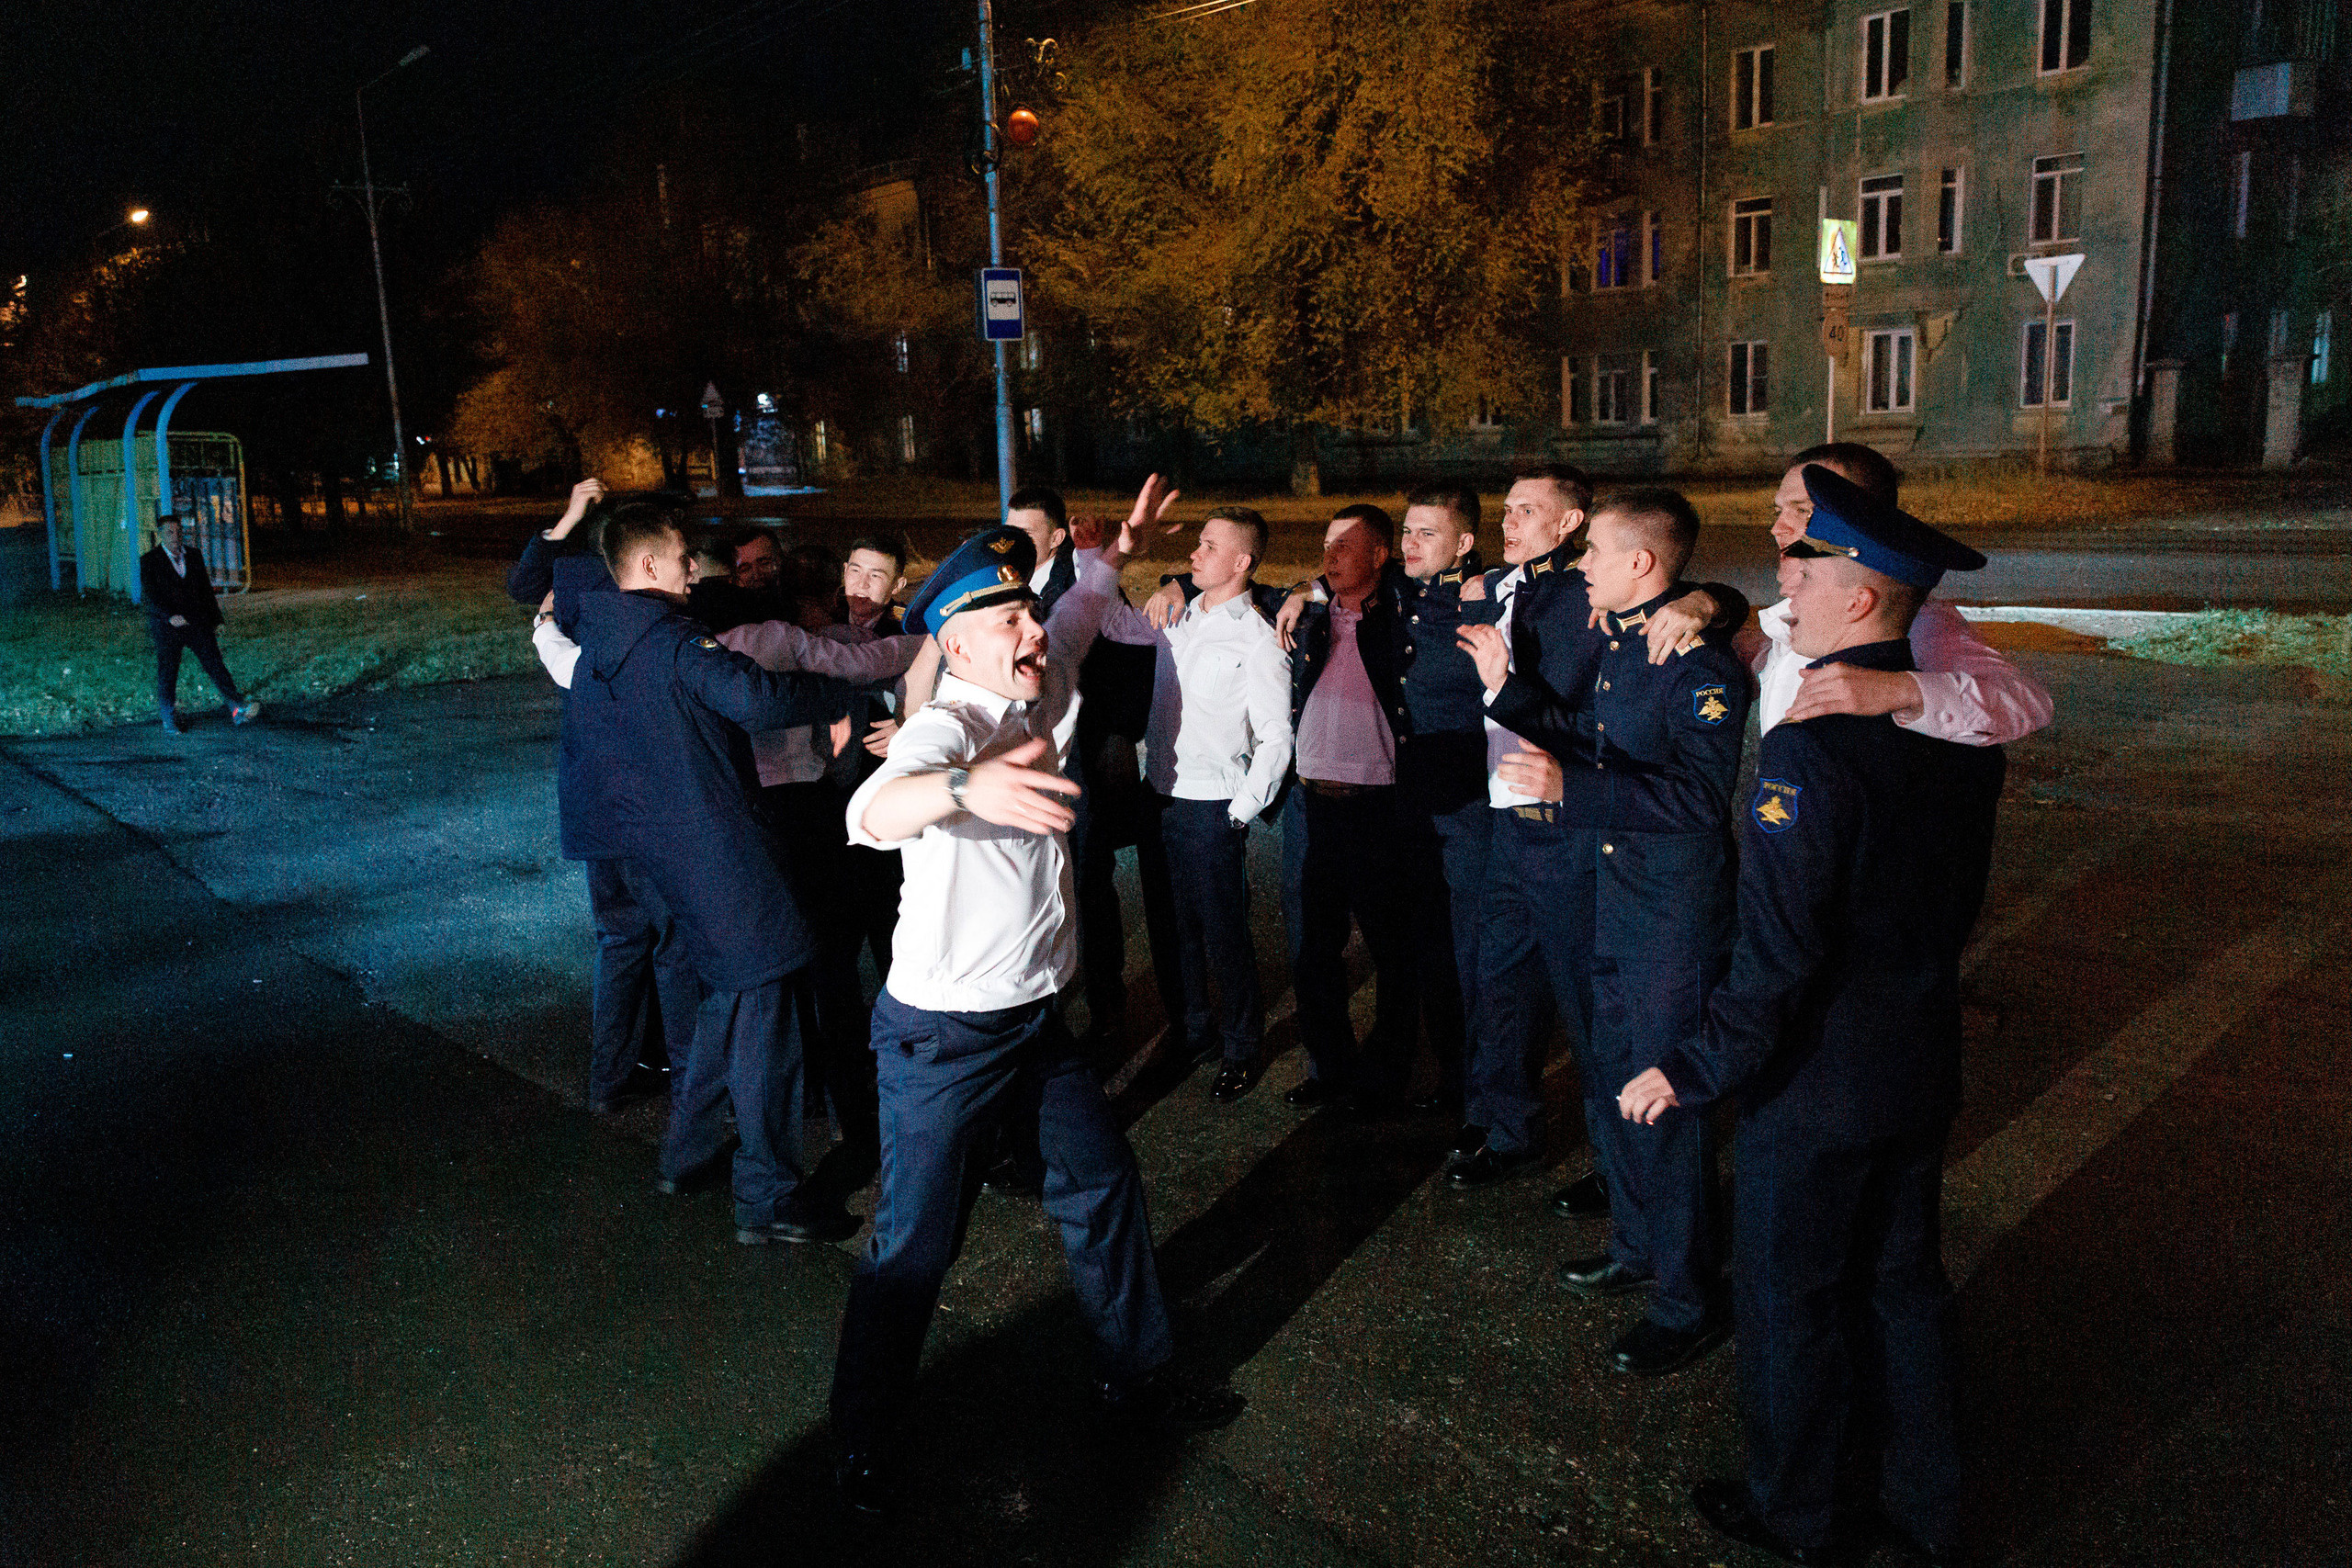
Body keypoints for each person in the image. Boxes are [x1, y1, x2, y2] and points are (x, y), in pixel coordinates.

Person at [828, 477, 1243, 1516]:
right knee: (915, 1244)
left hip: (1036, 1027)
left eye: (1021, 611)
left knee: (1102, 1186)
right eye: (999, 618)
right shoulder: (950, 725)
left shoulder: (1043, 673)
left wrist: (1119, 553)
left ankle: (1136, 1374)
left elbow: (1077, 607)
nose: (1025, 629)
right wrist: (966, 789)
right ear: (954, 646)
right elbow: (874, 811)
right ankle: (861, 1440)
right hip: (942, 1036)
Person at [1619, 466, 2008, 1566]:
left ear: (1858, 594)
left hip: (1821, 1073)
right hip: (1918, 1050)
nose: (1782, 571)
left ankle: (1799, 1512)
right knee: (1901, 1285)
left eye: (1805, 562)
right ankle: (1926, 1508)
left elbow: (1781, 952)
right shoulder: (1949, 721)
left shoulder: (1815, 743)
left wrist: (1692, 1070)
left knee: (1792, 1297)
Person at [1464, 489, 1751, 1378]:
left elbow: (1700, 801)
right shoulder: (1623, 641)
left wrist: (1570, 793)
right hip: (1616, 898)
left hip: (1670, 915)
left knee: (1664, 1105)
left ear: (1643, 565)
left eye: (1595, 553)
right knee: (1614, 1081)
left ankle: (1686, 1299)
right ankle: (1636, 1245)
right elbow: (1587, 746)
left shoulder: (1698, 666)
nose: (1581, 567)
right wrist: (1504, 691)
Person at [564, 503, 853, 1245]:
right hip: (721, 858)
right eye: (685, 555)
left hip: (660, 858)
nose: (697, 567)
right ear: (652, 566)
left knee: (730, 998)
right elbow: (756, 698)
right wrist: (841, 692)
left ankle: (686, 1150)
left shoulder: (600, 640)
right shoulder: (672, 640)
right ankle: (769, 1195)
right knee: (769, 1013)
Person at [1649, 442, 2053, 743]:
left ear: (1864, 517)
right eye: (1779, 510)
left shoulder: (1917, 620)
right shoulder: (1800, 607)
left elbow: (2026, 701)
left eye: (1803, 510)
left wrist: (1900, 690)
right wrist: (1711, 603)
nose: (1778, 528)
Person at [1092, 508, 1294, 1101]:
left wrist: (1241, 810)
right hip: (1160, 797)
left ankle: (1240, 1044)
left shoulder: (1257, 637)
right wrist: (1102, 560)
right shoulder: (1173, 617)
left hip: (1213, 804)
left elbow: (1278, 736)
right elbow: (1100, 618)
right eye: (1197, 544)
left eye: (1209, 546)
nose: (1195, 555)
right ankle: (1193, 1028)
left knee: (1224, 932)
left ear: (1243, 562)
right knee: (1172, 929)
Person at [1280, 503, 1422, 1111]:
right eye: (1325, 544)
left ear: (1380, 556)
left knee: (1393, 949)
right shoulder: (1312, 619)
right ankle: (1330, 1066)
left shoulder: (1398, 616)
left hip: (1377, 808)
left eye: (1344, 544)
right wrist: (1304, 589)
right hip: (1314, 807)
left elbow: (1418, 583)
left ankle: (1386, 1073)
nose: (1329, 554)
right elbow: (1232, 585)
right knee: (1315, 950)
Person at [140, 513, 260, 733]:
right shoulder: (149, 560)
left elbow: (205, 590)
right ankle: (169, 717)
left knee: (215, 664)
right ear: (160, 535)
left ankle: (237, 708)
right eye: (169, 532)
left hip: (196, 622)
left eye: (177, 531)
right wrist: (169, 616)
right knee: (168, 671)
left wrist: (216, 619)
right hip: (168, 627)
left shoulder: (193, 555)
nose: (175, 536)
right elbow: (151, 595)